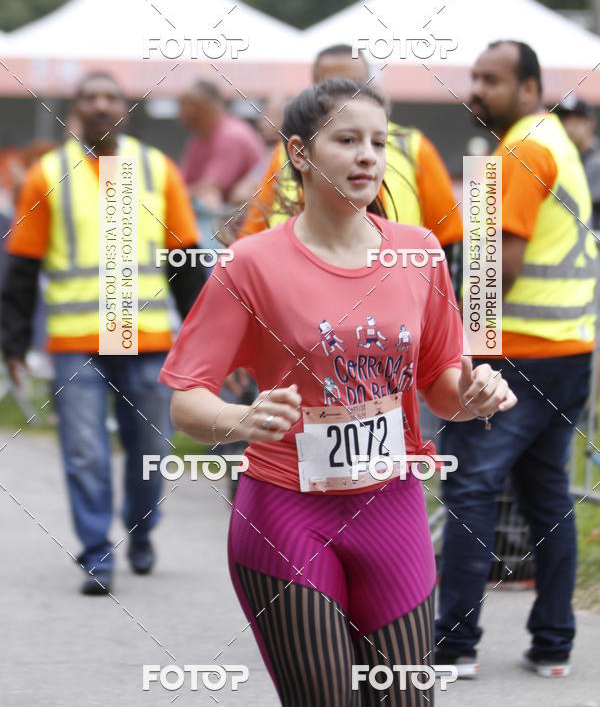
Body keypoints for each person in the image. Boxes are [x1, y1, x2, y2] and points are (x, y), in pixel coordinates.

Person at [159, 78, 516, 706]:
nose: (367, 156)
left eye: (378, 142)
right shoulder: (252, 263)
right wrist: (243, 419)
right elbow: (186, 400)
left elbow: (441, 388)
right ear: (299, 153)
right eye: (347, 140)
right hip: (286, 515)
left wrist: (474, 395)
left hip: (392, 508)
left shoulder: (419, 252)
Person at [0, 72, 206, 595]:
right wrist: (13, 343)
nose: (100, 105)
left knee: (150, 448)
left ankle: (142, 528)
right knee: (85, 451)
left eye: (110, 96)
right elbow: (22, 266)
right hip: (77, 344)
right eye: (89, 97)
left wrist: (206, 340)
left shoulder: (157, 170)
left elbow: (185, 262)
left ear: (125, 109)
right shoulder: (48, 173)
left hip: (146, 338)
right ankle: (97, 552)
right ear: (76, 110)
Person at [435, 41, 597, 678]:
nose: (478, 89)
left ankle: (454, 645)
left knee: (471, 486)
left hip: (517, 356)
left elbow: (499, 266)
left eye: (493, 80)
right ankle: (554, 644)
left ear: (530, 87)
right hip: (567, 351)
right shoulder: (556, 142)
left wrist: (464, 351)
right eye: (475, 77)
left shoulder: (522, 150)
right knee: (546, 494)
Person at [237, 44, 463, 296]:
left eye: (378, 144)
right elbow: (252, 232)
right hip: (299, 294)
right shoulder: (286, 153)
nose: (344, 95)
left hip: (393, 296)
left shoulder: (413, 147)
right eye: (330, 85)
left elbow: (449, 240)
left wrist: (441, 304)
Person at [178, 79, 265, 205]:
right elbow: (182, 183)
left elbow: (211, 189)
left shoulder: (231, 136)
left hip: (245, 215)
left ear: (205, 105)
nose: (181, 110)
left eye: (186, 104)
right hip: (226, 213)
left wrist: (175, 193)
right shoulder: (199, 138)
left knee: (209, 199)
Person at [554, 94, 600, 230]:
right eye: (565, 120)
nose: (569, 126)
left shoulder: (596, 161)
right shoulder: (561, 155)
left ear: (591, 122)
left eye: (576, 120)